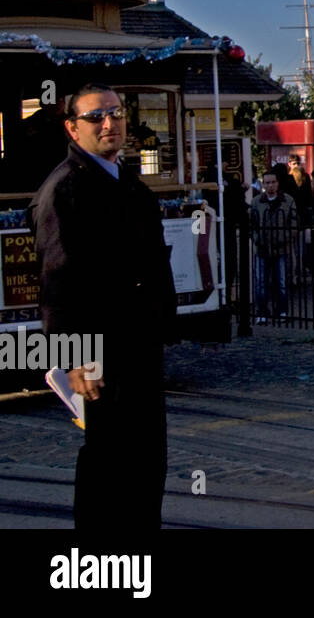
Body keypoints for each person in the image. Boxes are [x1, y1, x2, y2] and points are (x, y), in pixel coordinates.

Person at [29, 83, 177, 529]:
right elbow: (58, 281)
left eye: (115, 113)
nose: (109, 123)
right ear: (73, 128)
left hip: (140, 346)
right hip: (100, 354)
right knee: (109, 465)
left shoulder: (125, 182)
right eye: (96, 117)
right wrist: (74, 357)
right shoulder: (65, 190)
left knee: (145, 462)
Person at [249, 170, 296, 322]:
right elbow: (252, 224)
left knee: (281, 281)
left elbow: (294, 223)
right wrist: (257, 238)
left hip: (281, 247)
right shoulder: (256, 202)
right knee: (261, 282)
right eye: (267, 182)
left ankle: (282, 311)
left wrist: (285, 238)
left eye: (273, 182)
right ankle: (262, 312)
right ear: (263, 184)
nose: (270, 185)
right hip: (262, 247)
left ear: (277, 183)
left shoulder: (287, 200)